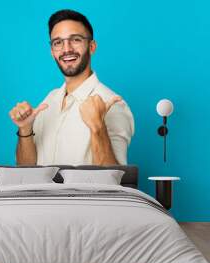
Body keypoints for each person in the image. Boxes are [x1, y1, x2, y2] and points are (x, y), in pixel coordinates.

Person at [9, 9, 134, 166]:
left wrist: (97, 128)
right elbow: (27, 170)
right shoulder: (49, 101)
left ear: (92, 46)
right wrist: (25, 129)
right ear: (52, 52)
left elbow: (116, 182)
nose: (66, 49)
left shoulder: (112, 104)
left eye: (75, 39)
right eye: (58, 42)